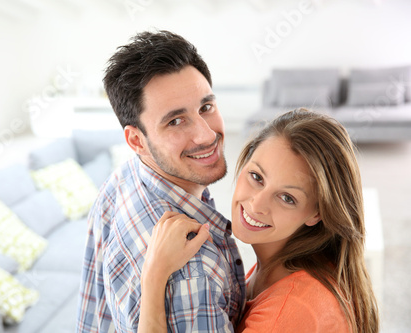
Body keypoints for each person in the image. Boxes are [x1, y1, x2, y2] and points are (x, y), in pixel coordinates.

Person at [139, 109, 380, 333]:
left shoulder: (287, 313)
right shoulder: (282, 265)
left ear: (316, 213)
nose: (256, 204)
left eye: (287, 198)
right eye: (256, 177)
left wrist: (153, 277)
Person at [76, 30, 246, 332]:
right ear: (137, 140)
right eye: (175, 121)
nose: (207, 135)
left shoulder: (123, 176)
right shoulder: (194, 276)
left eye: (206, 107)